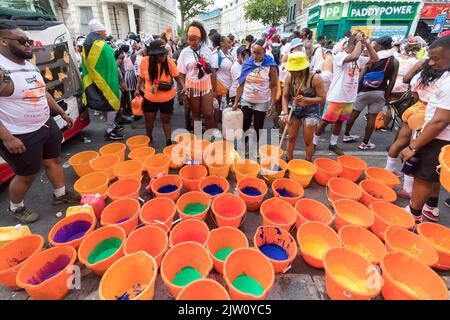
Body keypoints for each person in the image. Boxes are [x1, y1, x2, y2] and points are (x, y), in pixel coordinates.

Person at [0, 24, 80, 223]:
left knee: (53, 161)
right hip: (20, 133)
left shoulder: (28, 64)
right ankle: (16, 208)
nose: (28, 45)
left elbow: (41, 92)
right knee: (27, 175)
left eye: (28, 41)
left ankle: (60, 195)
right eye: (22, 41)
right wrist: (7, 137)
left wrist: (61, 112)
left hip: (45, 124)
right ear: (3, 41)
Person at [400, 35, 450, 223]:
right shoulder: (446, 76)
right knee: (432, 174)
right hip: (436, 136)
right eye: (430, 57)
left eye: (436, 58)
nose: (431, 62)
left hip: (438, 138)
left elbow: (440, 121)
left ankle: (413, 216)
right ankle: (431, 207)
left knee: (422, 177)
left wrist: (413, 146)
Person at [386, 59, 445, 199]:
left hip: (414, 109)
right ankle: (407, 188)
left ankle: (388, 170)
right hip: (427, 114)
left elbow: (415, 95)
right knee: (414, 151)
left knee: (399, 142)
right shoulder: (444, 80)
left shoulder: (420, 77)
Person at [313, 32, 378, 155]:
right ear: (353, 44)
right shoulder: (340, 56)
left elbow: (375, 59)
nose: (363, 49)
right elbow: (353, 57)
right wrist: (359, 41)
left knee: (340, 121)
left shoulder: (359, 58)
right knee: (324, 121)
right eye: (360, 45)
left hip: (348, 97)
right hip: (336, 97)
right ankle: (313, 142)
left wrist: (368, 44)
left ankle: (333, 144)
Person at [343, 36, 398, 150]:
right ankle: (365, 143)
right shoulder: (394, 61)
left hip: (364, 90)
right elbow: (392, 81)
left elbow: (362, 75)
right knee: (372, 117)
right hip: (380, 92)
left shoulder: (372, 59)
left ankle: (346, 135)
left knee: (354, 114)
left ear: (379, 46)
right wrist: (386, 95)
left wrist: (356, 90)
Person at [135, 40, 186, 146]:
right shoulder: (145, 61)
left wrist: (184, 87)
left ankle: (168, 141)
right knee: (149, 121)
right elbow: (141, 77)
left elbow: (178, 77)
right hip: (150, 98)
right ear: (153, 54)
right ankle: (148, 138)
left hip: (167, 98)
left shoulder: (169, 62)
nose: (163, 56)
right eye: (160, 54)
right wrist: (137, 89)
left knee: (166, 120)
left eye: (164, 53)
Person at [232, 39, 279, 151]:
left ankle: (255, 149)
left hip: (262, 101)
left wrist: (272, 105)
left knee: (258, 127)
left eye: (258, 53)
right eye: (253, 52)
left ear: (264, 52)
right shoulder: (247, 63)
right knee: (244, 126)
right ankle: (242, 148)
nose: (255, 55)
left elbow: (274, 86)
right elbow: (241, 84)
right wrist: (235, 103)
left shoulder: (270, 66)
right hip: (246, 99)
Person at [82, 20, 123, 140]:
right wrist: (120, 80)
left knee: (106, 104)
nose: (106, 33)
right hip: (106, 81)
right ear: (99, 32)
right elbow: (112, 65)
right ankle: (110, 130)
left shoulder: (86, 44)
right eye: (104, 31)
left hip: (94, 80)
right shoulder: (100, 45)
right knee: (112, 103)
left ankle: (112, 125)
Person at [282, 52, 326, 162]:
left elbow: (322, 98)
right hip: (294, 110)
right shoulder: (289, 76)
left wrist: (306, 100)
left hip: (310, 111)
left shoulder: (315, 78)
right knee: (291, 137)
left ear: (303, 68)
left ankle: (307, 162)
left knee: (308, 140)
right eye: (291, 69)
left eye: (295, 70)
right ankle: (288, 161)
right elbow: (285, 97)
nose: (292, 72)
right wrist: (286, 114)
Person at [177, 21, 217, 130]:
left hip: (206, 86)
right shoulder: (184, 53)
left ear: (200, 39)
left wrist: (215, 90)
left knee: (209, 113)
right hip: (191, 87)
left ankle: (210, 138)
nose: (192, 42)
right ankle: (198, 141)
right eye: (190, 39)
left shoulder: (207, 51)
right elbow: (180, 74)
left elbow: (212, 72)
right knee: (195, 114)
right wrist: (184, 89)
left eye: (195, 39)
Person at [212, 36, 233, 116]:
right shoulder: (216, 56)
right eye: (228, 42)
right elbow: (213, 73)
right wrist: (214, 90)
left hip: (227, 87)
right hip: (219, 87)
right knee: (217, 111)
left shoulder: (229, 54)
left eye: (230, 41)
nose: (230, 43)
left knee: (223, 110)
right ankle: (214, 127)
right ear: (221, 43)